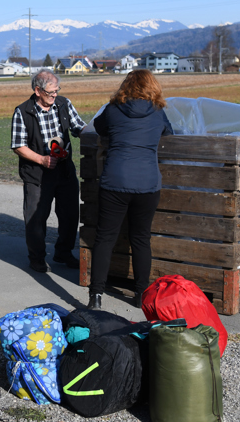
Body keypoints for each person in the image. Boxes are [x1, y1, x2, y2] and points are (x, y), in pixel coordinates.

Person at [87, 69, 173, 310]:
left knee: (105, 238)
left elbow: (99, 127)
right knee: (141, 239)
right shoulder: (157, 113)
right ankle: (140, 294)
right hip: (147, 184)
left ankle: (96, 296)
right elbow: (169, 133)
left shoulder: (112, 109)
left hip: (115, 180)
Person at [11, 69, 86, 273]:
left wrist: (95, 133)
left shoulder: (63, 103)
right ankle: (37, 257)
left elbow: (79, 126)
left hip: (65, 171)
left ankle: (64, 252)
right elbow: (18, 145)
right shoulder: (23, 111)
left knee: (70, 215)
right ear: (38, 90)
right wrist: (41, 159)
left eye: (56, 91)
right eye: (50, 92)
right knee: (36, 217)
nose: (54, 95)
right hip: (37, 174)